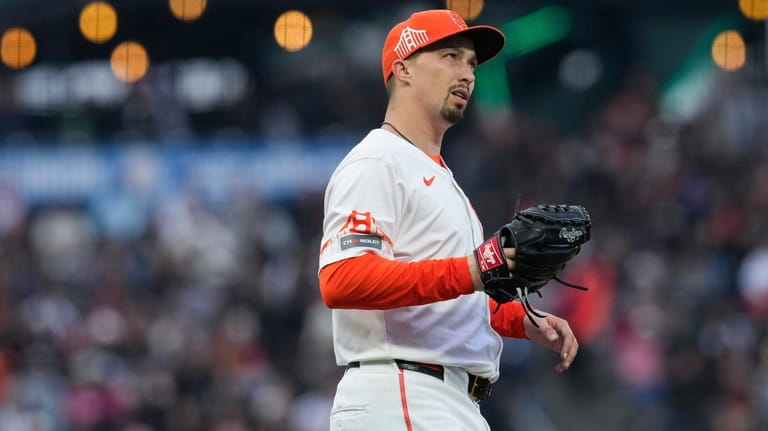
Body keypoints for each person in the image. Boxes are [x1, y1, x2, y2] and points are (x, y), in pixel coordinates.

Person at [318, 9, 580, 430]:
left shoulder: (438, 175)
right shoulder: (378, 160)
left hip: (445, 398)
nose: (468, 74)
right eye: (451, 57)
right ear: (403, 69)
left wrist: (519, 321)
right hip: (403, 391)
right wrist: (475, 269)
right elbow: (342, 279)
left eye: (472, 63)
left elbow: (452, 293)